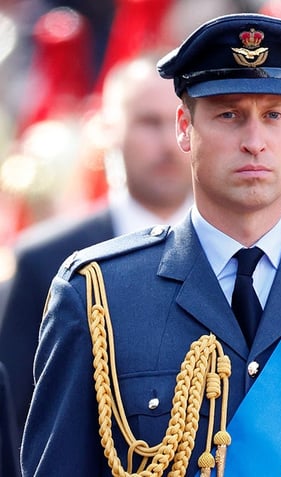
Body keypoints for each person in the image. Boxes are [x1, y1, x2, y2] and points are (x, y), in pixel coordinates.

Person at [21, 13, 281, 477]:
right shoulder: (99, 297)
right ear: (184, 128)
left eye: (273, 115)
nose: (254, 141)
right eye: (229, 114)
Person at [0, 51, 193, 443]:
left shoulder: (245, 254)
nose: (169, 144)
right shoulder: (43, 261)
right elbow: (16, 418)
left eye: (181, 123)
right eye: (148, 122)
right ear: (106, 129)